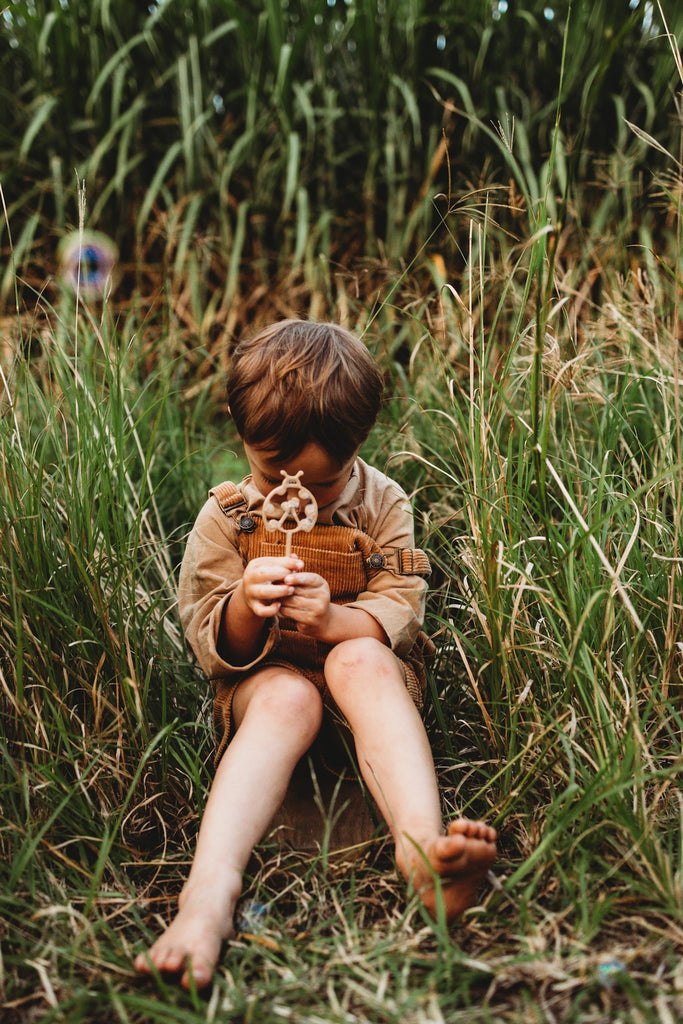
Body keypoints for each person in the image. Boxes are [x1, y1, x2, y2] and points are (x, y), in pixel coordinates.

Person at [135, 319, 497, 990]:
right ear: (242, 441)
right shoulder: (229, 516)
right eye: (274, 472)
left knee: (354, 662)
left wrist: (336, 620)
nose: (296, 493)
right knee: (285, 695)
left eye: (323, 485)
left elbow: (402, 604)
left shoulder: (382, 502)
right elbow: (207, 638)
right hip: (266, 685)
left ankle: (422, 852)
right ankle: (206, 899)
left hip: (366, 680)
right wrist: (245, 606)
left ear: (358, 445)